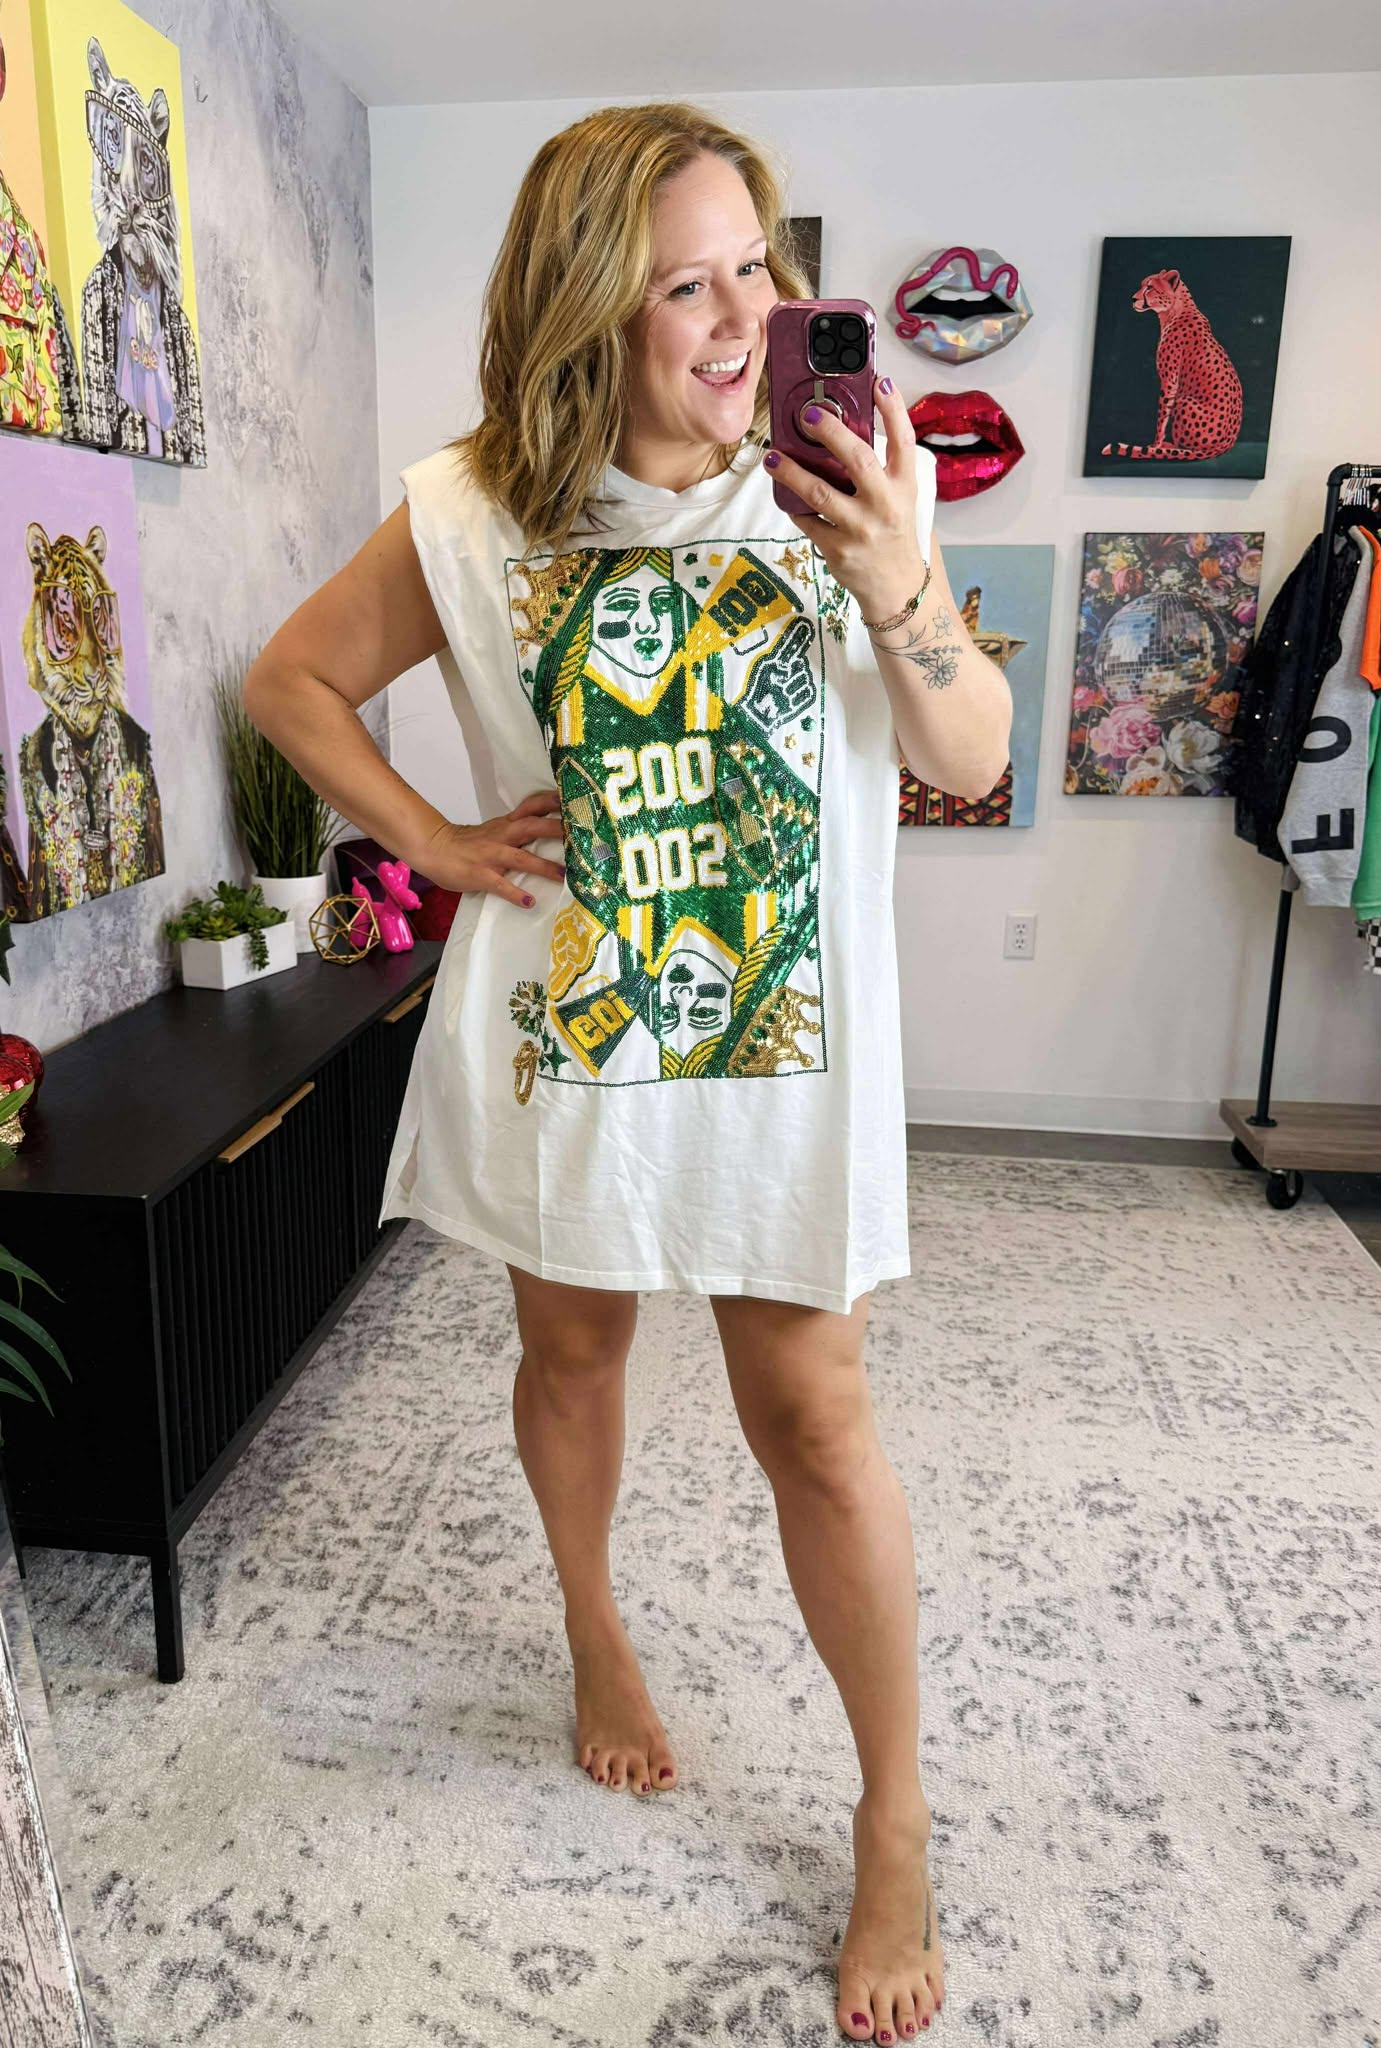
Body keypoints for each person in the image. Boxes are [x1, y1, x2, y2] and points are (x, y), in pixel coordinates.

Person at [246, 100, 1009, 2045]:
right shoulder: (473, 510)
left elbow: (973, 751)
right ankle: (595, 1631)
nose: (745, 316)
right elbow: (290, 681)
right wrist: (434, 842)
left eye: (757, 265)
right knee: (571, 1353)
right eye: (688, 285)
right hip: (574, 1047)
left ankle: (893, 1813)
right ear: (588, 306)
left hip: (784, 1067)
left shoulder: (847, 477)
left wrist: (898, 579)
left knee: (813, 1415)